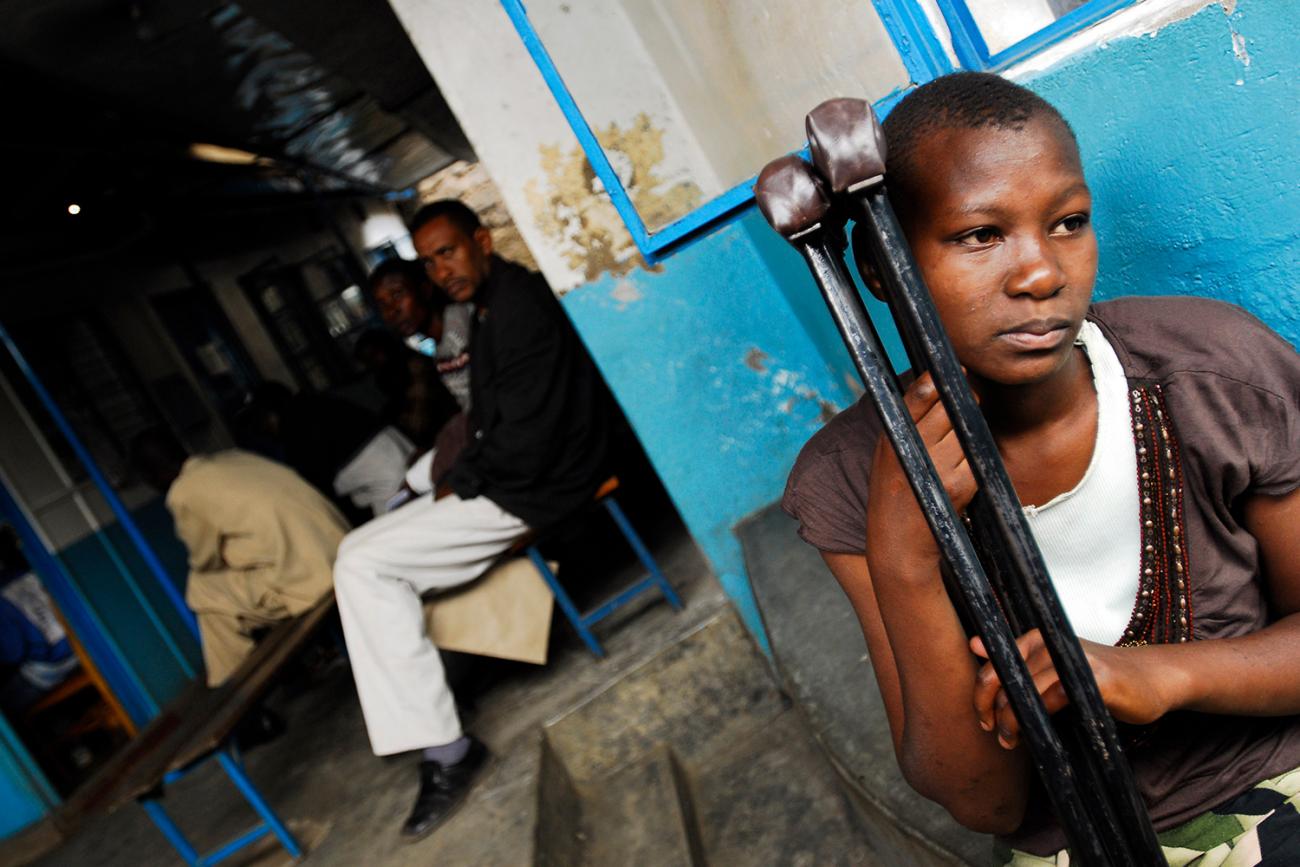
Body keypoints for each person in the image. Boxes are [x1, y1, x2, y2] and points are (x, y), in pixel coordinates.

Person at [781, 72, 1300, 864]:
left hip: (1276, 776)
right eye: (980, 235)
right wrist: (905, 555)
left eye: (1068, 223)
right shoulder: (848, 482)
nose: (1041, 275)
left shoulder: (1213, 377)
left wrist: (1159, 676)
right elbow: (983, 798)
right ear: (882, 269)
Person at [333, 199, 612, 841]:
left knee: (365, 565)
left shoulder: (517, 309)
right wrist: (454, 478)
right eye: (430, 261)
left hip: (536, 489)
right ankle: (433, 716)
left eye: (449, 252)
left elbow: (530, 440)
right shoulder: (487, 307)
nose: (441, 270)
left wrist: (461, 482)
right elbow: (489, 424)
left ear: (482, 241)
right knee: (358, 548)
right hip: (513, 479)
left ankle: (448, 750)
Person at [131, 429, 350, 687]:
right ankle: (285, 670)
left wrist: (228, 554)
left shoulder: (183, 492)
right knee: (239, 578)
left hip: (312, 581)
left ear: (153, 475)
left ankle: (234, 686)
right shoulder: (234, 458)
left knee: (202, 589)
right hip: (345, 552)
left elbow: (204, 560)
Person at [233, 381, 417, 521]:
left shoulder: (295, 426)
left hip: (386, 473)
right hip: (396, 451)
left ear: (270, 414)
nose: (260, 428)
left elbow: (316, 486)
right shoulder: (312, 404)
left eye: (259, 421)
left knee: (402, 531)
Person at [368, 256, 473, 412]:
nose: (392, 310)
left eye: (397, 295)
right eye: (382, 304)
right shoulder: (432, 349)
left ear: (424, 290)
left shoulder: (463, 322)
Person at [0, 527, 78, 714]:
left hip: (62, 657)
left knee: (7, 705)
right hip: (77, 636)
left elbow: (13, 653)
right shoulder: (12, 573)